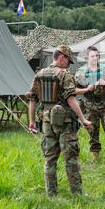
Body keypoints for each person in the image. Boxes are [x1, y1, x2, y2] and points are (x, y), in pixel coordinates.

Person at [27, 45, 92, 197]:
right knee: (70, 159)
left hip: (47, 123)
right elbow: (71, 98)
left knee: (49, 159)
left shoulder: (40, 74)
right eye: (69, 61)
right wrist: (83, 119)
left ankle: (51, 194)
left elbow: (31, 99)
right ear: (62, 57)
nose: (69, 65)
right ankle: (77, 195)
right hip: (65, 123)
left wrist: (31, 121)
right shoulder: (64, 75)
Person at [75, 46, 105, 162]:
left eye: (97, 55)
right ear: (87, 57)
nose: (95, 58)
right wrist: (86, 90)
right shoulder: (81, 72)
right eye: (92, 56)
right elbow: (74, 90)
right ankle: (95, 155)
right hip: (90, 107)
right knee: (92, 132)